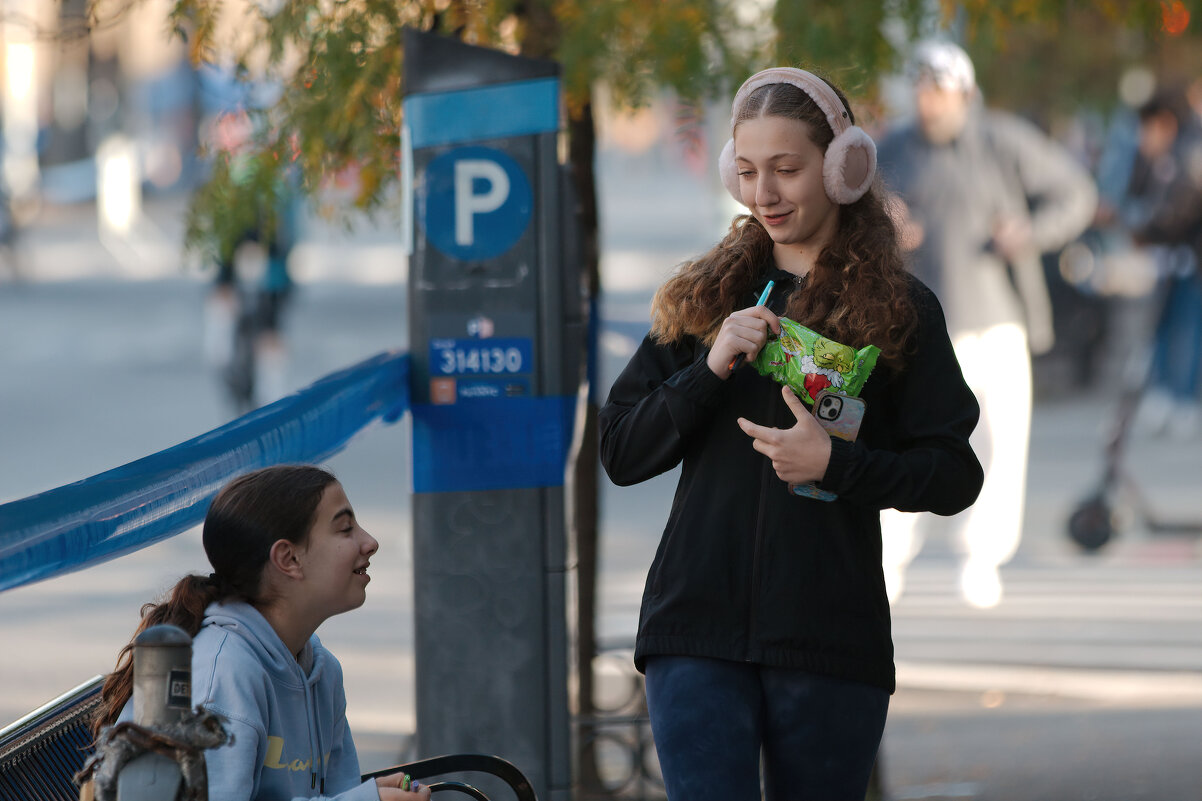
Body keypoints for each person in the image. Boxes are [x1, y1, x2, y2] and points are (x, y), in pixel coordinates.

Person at [598, 66, 983, 801]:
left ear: (842, 167)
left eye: (786, 169)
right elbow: (621, 450)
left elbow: (954, 472)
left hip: (829, 638)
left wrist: (838, 465)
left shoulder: (901, 308)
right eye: (746, 171)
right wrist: (707, 369)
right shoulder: (705, 297)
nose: (764, 193)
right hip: (693, 631)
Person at [875, 39, 1097, 607]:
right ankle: (888, 561)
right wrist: (888, 225)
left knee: (999, 444)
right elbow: (855, 208)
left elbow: (1076, 194)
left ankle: (982, 556)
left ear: (965, 94)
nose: (931, 104)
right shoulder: (893, 147)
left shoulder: (1001, 140)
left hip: (997, 320)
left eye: (941, 92)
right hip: (916, 326)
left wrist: (1029, 232)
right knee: (904, 442)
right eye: (923, 92)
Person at [91, 465, 429, 801]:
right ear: (289, 558)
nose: (370, 542)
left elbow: (337, 791)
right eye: (345, 529)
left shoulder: (321, 669)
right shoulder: (223, 676)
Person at [1121, 84, 1202, 437]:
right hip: (1178, 259)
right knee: (1172, 326)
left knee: (1188, 328)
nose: (1144, 137)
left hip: (1190, 258)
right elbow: (1139, 193)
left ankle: (1185, 400)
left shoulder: (1188, 152)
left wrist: (1147, 233)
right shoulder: (1170, 155)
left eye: (1148, 127)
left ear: (1165, 122)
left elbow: (1179, 211)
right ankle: (1168, 394)